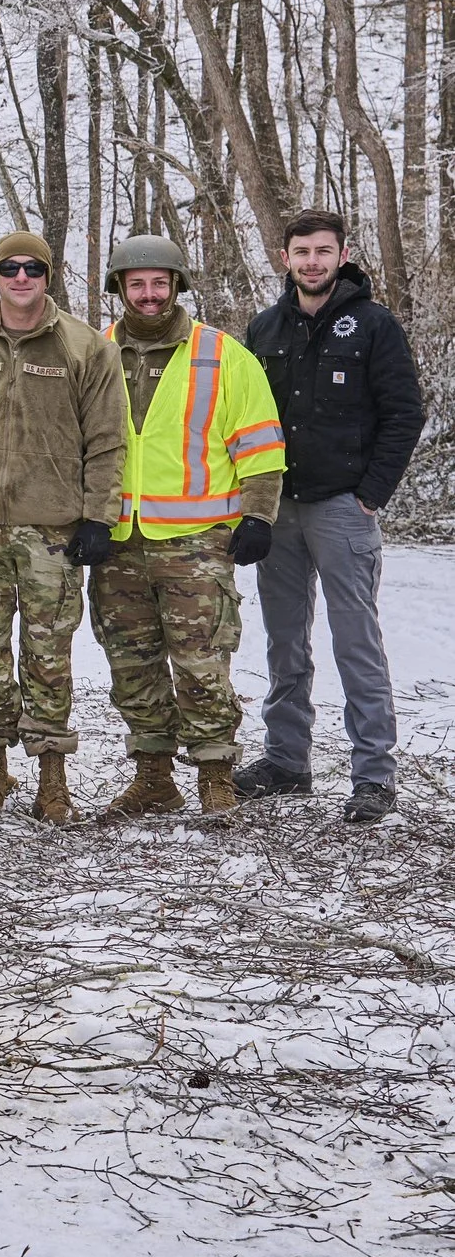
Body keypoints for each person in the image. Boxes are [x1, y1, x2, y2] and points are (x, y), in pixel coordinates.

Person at [91, 234, 287, 820]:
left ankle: (214, 776)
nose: (149, 295)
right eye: (137, 284)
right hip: (118, 540)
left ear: (177, 286)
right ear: (119, 290)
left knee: (203, 665)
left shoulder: (221, 355)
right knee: (132, 664)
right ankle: (153, 777)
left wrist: (257, 515)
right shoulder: (94, 352)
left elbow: (259, 443)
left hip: (198, 542)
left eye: (160, 283)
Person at [0, 232, 125, 825]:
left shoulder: (85, 347)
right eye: (9, 268)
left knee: (49, 657)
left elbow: (107, 440)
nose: (21, 278)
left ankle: (52, 776)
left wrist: (99, 517)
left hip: (53, 531)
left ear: (48, 274)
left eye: (32, 269)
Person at [241, 211, 422, 823]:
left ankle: (373, 774)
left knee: (356, 643)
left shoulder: (374, 326)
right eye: (301, 251)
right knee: (285, 642)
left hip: (344, 508)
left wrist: (372, 493)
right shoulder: (264, 328)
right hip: (278, 510)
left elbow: (404, 414)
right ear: (284, 256)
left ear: (343, 255)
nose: (312, 261)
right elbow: (243, 418)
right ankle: (287, 760)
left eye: (324, 251)